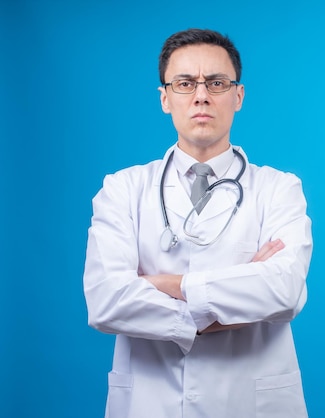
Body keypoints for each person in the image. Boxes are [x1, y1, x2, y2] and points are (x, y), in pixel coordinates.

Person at [83, 28, 312, 418]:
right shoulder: (123, 188)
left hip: (251, 403)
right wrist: (230, 299)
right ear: (165, 98)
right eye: (185, 83)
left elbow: (284, 290)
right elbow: (106, 303)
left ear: (238, 96)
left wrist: (163, 285)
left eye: (217, 83)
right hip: (150, 404)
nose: (202, 95)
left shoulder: (279, 188)